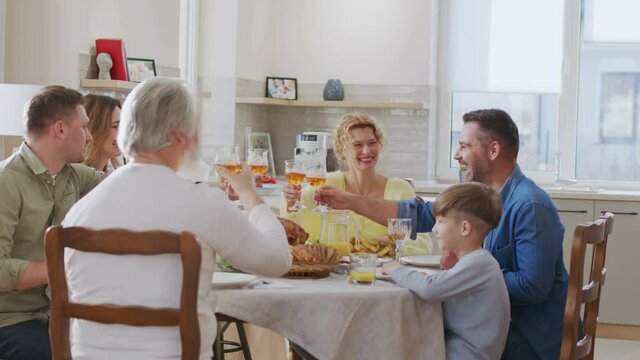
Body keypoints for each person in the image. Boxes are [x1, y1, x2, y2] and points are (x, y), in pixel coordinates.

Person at [61, 77, 292, 360]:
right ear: (180, 134)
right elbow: (277, 261)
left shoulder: (80, 212)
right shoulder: (200, 203)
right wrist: (248, 192)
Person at [315, 109, 568, 360]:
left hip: (524, 343)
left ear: (492, 151)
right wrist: (350, 201)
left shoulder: (530, 206)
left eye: (464, 146)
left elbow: (532, 287)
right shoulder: (482, 196)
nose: (457, 155)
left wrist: (467, 274)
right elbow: (423, 214)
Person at [0, 86, 105, 360]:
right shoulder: (6, 182)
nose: (90, 136)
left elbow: (126, 185)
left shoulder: (71, 176)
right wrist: (65, 267)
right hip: (11, 319)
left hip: (57, 313)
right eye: (84, 127)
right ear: (60, 129)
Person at [383, 182, 509, 360]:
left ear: (465, 228)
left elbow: (430, 289)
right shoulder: (475, 262)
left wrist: (397, 270)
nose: (434, 229)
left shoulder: (480, 264)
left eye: (440, 221)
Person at [282, 113, 431, 255]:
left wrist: (384, 245)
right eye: (357, 145)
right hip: (333, 274)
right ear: (341, 150)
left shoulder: (400, 190)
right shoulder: (326, 185)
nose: (366, 151)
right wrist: (290, 200)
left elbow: (422, 245)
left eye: (372, 143)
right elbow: (294, 231)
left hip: (387, 274)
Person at [82, 94, 122, 172]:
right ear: (94, 129)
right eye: (115, 126)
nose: (123, 133)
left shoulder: (110, 175)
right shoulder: (74, 179)